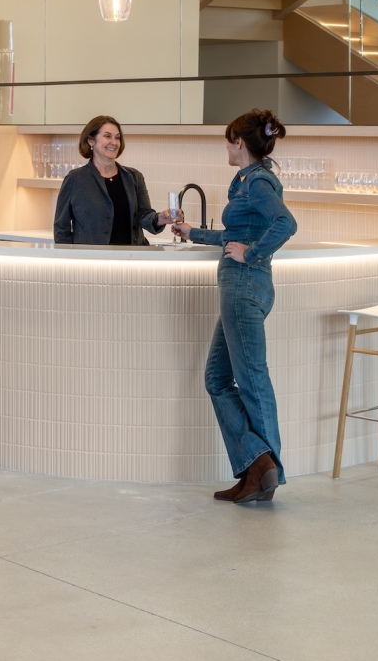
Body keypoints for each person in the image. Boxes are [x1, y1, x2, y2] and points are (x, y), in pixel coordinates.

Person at [172, 109, 299, 503]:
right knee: (217, 378)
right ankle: (255, 467)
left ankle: (267, 467)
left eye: (229, 139)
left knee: (252, 380)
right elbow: (235, 234)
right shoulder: (247, 182)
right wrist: (193, 233)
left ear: (239, 142)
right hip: (244, 288)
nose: (226, 146)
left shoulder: (259, 181)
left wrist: (253, 254)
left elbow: (286, 224)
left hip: (243, 286)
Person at [52, 115, 172, 246]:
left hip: (131, 259)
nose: (114, 142)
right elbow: (61, 228)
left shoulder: (134, 176)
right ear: (91, 141)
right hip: (92, 261)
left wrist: (160, 218)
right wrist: (70, 259)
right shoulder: (75, 179)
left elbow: (144, 215)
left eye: (117, 137)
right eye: (107, 136)